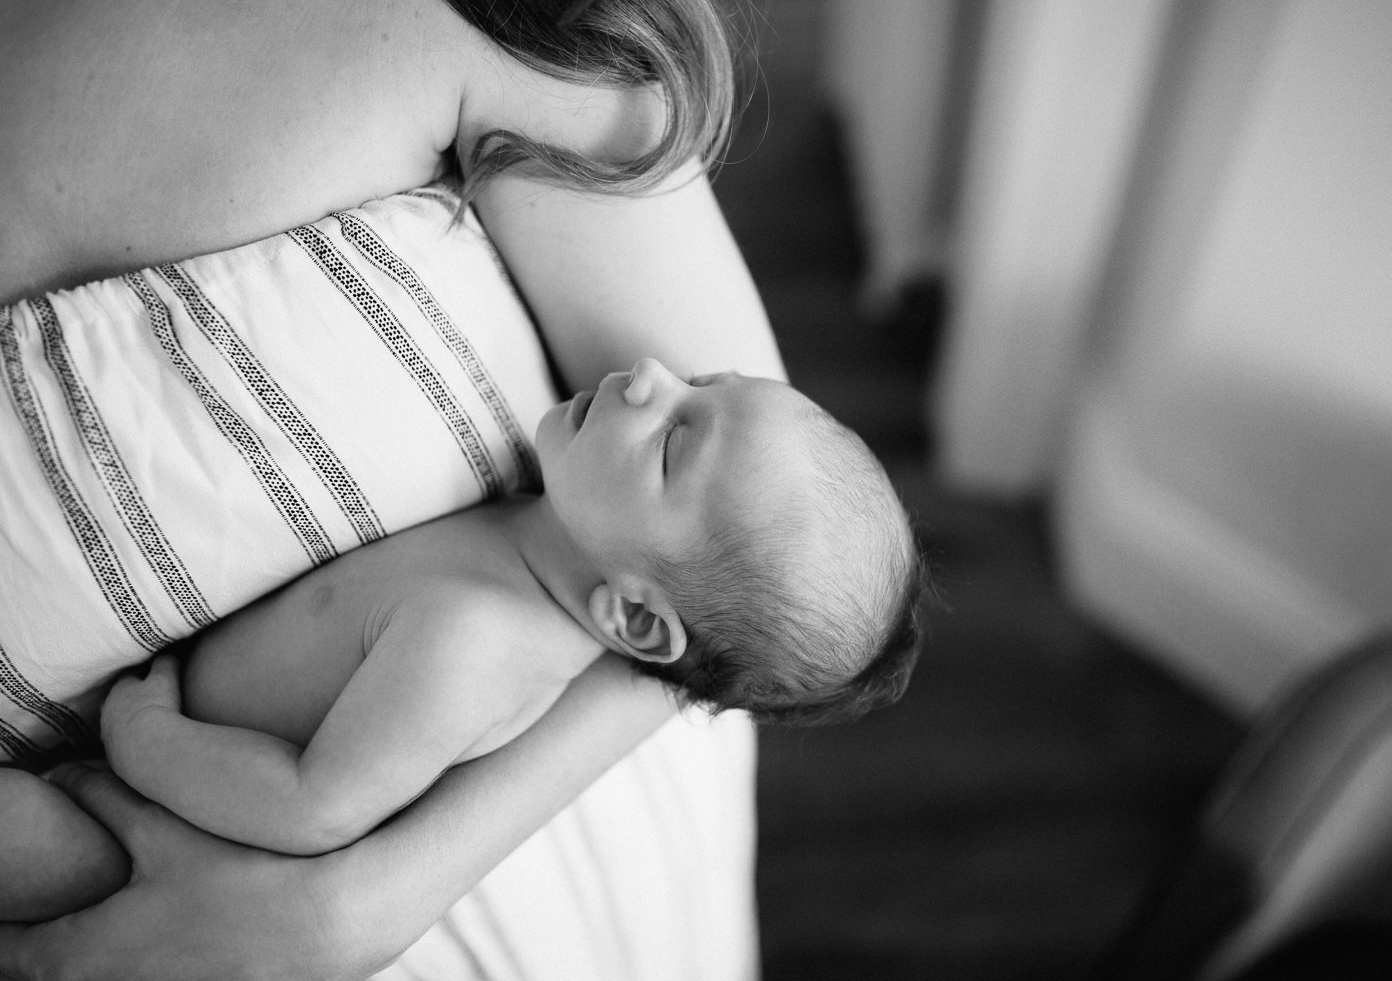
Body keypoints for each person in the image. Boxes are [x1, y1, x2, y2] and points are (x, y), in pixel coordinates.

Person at [0, 0, 797, 977]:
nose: (656, 391)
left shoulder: (522, 10)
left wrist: (359, 906)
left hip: (511, 856)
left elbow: (744, 569)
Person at [3, 357, 921, 919]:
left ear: (635, 618)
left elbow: (315, 805)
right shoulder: (539, 536)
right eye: (708, 381)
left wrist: (149, 741)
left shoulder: (479, 643)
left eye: (674, 443)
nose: (650, 374)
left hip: (145, 813)